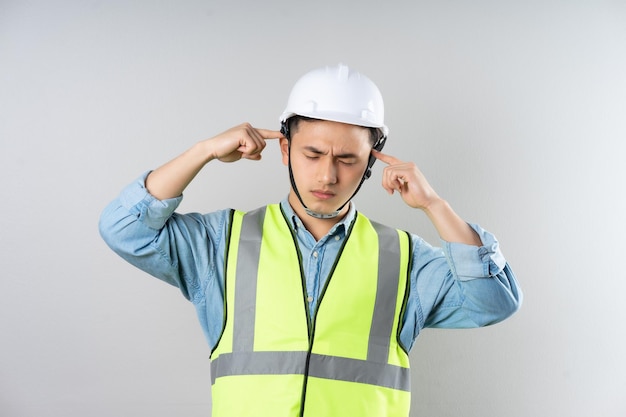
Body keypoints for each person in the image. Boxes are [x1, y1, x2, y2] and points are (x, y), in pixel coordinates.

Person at [99, 64, 522, 417]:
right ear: (284, 149)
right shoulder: (221, 243)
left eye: (347, 159)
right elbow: (123, 228)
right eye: (313, 154)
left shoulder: (405, 259)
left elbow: (496, 301)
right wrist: (204, 150)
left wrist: (434, 205)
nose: (327, 176)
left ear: (371, 164)